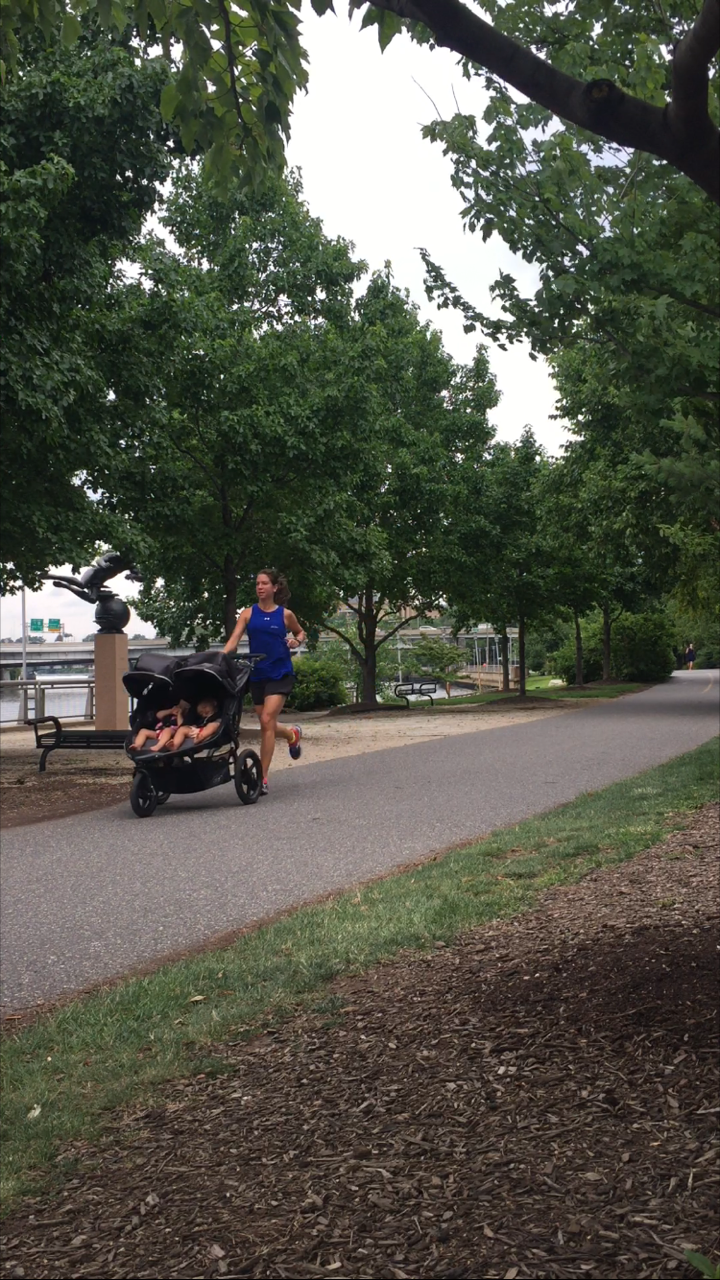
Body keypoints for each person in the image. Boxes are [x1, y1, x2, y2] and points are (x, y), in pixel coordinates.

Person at [223, 568, 305, 795]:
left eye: (264, 583)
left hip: (280, 673)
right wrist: (220, 657)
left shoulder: (285, 615)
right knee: (265, 722)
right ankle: (291, 734)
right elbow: (233, 641)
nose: (259, 587)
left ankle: (263, 778)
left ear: (275, 587)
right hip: (257, 674)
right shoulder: (248, 614)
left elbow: (300, 632)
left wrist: (296, 641)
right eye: (257, 584)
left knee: (267, 719)